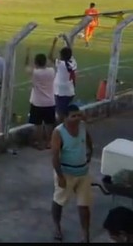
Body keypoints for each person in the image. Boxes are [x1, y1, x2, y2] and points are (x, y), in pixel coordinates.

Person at [50, 104, 93, 243]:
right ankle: (57, 226)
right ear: (65, 118)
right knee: (59, 201)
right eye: (73, 116)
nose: (77, 119)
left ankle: (85, 234)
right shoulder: (58, 132)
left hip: (83, 172)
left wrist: (89, 152)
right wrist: (60, 176)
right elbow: (55, 157)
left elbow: (88, 139)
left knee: (84, 205)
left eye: (78, 115)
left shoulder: (82, 127)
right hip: (66, 173)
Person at [25, 49, 57, 150]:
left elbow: (26, 67)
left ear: (36, 63)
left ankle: (39, 143)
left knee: (38, 124)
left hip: (37, 102)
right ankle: (49, 142)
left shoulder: (36, 73)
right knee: (49, 124)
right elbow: (51, 62)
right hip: (50, 101)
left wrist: (27, 55)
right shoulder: (51, 71)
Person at [48, 37, 77, 120]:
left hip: (61, 92)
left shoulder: (60, 64)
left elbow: (50, 56)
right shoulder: (73, 62)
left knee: (60, 113)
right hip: (70, 91)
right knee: (66, 111)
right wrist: (67, 40)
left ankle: (63, 128)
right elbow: (70, 51)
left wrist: (53, 44)